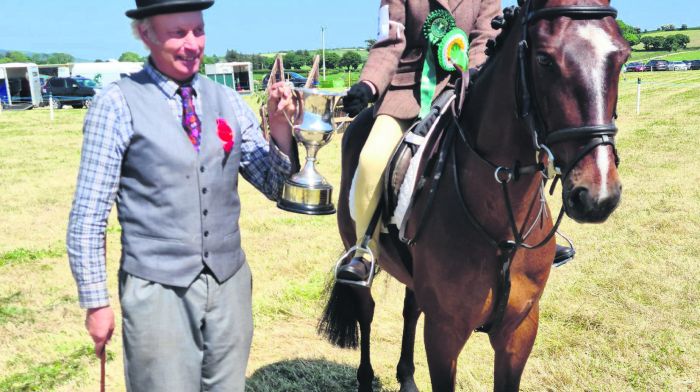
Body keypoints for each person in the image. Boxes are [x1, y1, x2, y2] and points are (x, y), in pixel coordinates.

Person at [66, 1, 297, 390]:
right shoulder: (116, 104)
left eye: (199, 30)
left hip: (229, 287)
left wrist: (279, 126)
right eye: (178, 33)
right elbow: (88, 217)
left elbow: (275, 186)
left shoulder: (228, 101)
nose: (192, 44)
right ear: (145, 34)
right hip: (157, 291)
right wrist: (96, 302)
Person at [337, 0, 574, 284]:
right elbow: (391, 42)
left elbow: (485, 39)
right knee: (371, 159)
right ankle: (365, 250)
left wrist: (473, 78)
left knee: (521, 147)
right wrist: (370, 84)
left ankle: (536, 233)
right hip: (407, 92)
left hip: (467, 86)